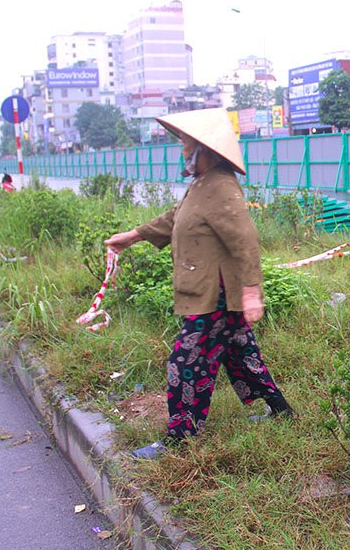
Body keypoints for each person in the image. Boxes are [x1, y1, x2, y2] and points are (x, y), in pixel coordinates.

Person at [104, 109, 292, 459]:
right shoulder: (202, 185)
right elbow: (175, 217)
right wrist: (133, 236)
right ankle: (281, 411)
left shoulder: (220, 185)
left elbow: (245, 240)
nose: (180, 150)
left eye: (185, 143)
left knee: (185, 362)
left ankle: (180, 438)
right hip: (216, 293)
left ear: (204, 150)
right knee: (241, 353)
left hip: (216, 296)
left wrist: (251, 292)